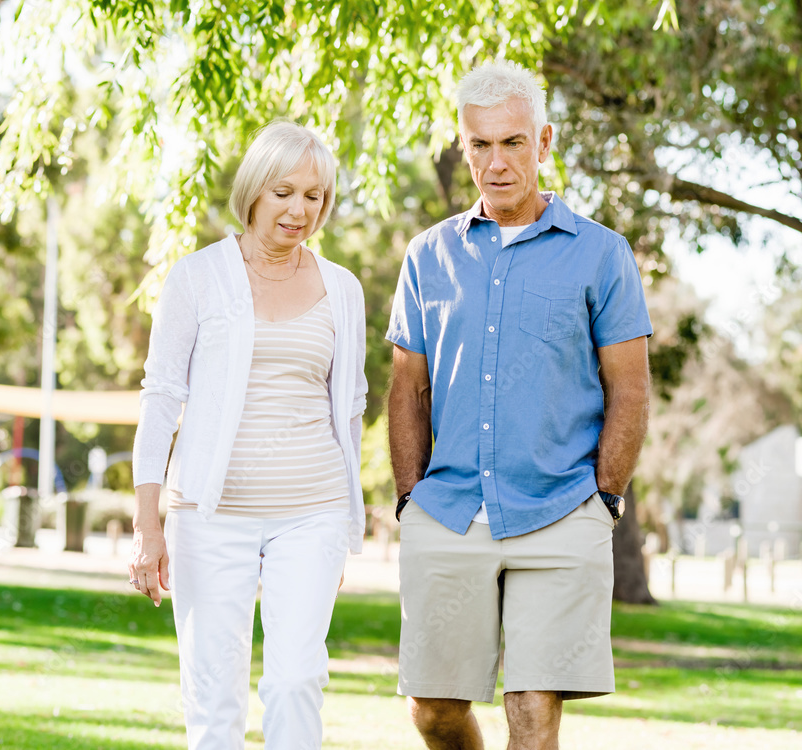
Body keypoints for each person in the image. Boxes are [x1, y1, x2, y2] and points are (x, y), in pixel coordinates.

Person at [386, 60, 652, 749]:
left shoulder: (602, 255)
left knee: (533, 711)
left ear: (544, 142)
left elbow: (629, 388)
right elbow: (408, 388)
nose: (497, 162)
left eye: (513, 142)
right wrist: (410, 497)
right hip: (449, 509)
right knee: (433, 710)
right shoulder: (427, 256)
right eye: (481, 145)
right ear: (464, 146)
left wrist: (606, 496)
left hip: (562, 508)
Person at [128, 121, 368, 750]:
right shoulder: (196, 277)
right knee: (213, 695)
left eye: (314, 196)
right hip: (209, 514)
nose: (299, 210)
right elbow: (160, 400)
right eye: (284, 192)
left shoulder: (343, 289)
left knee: (295, 680)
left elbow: (349, 411)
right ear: (254, 191)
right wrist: (148, 525)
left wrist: (346, 528)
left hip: (312, 511)